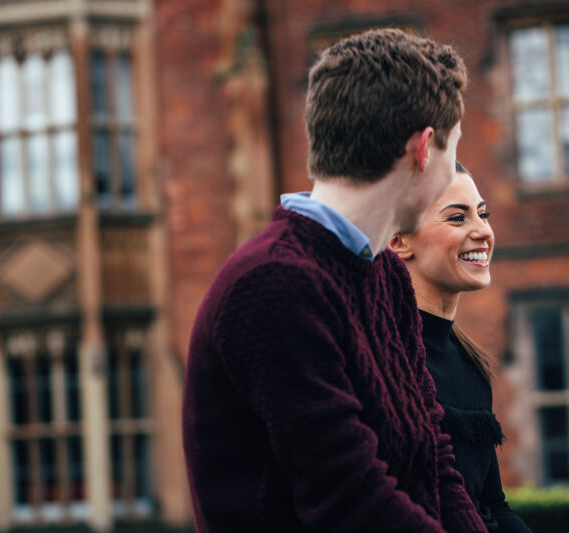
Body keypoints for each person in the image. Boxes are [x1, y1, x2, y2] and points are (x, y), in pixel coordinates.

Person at [183, 28, 487, 532]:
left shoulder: (386, 275)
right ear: (424, 149)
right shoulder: (271, 285)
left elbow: (435, 462)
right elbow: (350, 500)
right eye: (453, 150)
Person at [390, 163, 532, 532]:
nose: (483, 231)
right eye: (457, 218)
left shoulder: (469, 362)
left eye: (482, 214)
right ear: (398, 241)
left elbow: (492, 505)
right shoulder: (385, 361)